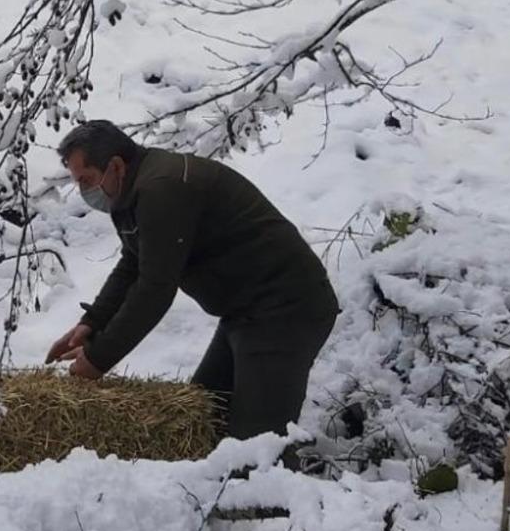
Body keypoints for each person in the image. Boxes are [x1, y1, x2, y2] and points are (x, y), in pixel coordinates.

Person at [45, 120, 339, 443]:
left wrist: (98, 359)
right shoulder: (128, 192)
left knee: (256, 447)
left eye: (86, 180)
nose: (85, 192)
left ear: (115, 165)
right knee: (203, 420)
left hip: (285, 309)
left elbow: (155, 290)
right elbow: (133, 264)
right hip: (244, 313)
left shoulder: (162, 189)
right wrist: (92, 323)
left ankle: (274, 491)